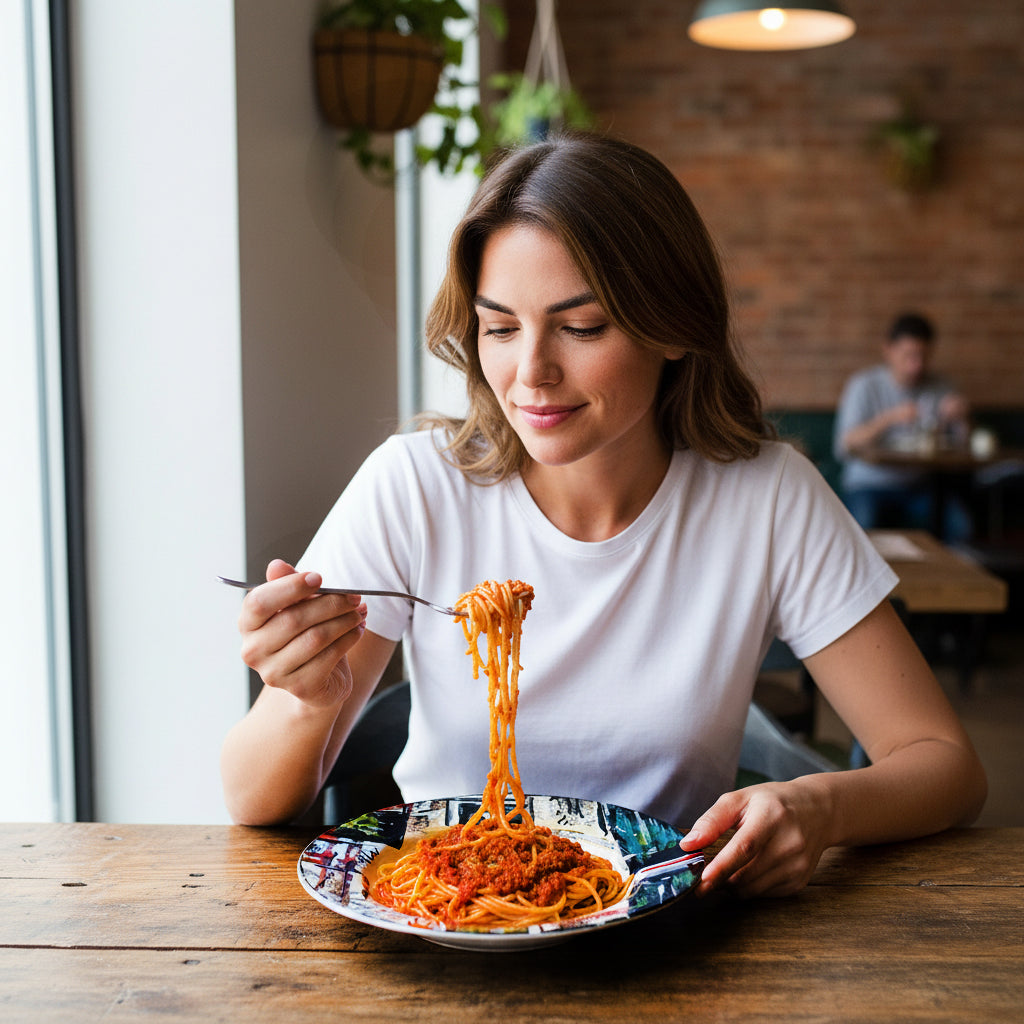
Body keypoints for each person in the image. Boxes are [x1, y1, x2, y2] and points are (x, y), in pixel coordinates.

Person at [221, 133, 985, 898]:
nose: (531, 374)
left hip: (675, 937)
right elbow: (251, 800)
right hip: (448, 916)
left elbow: (944, 764)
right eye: (500, 327)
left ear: (674, 326)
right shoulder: (414, 486)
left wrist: (821, 805)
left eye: (581, 327)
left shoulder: (768, 497)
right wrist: (304, 701)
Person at [834, 313, 972, 540]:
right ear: (888, 349)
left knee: (960, 525)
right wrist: (889, 419)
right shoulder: (863, 385)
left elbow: (962, 446)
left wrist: (961, 419)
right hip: (868, 486)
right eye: (909, 356)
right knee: (864, 532)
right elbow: (845, 444)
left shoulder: (940, 387)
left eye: (923, 356)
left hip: (919, 487)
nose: (916, 365)